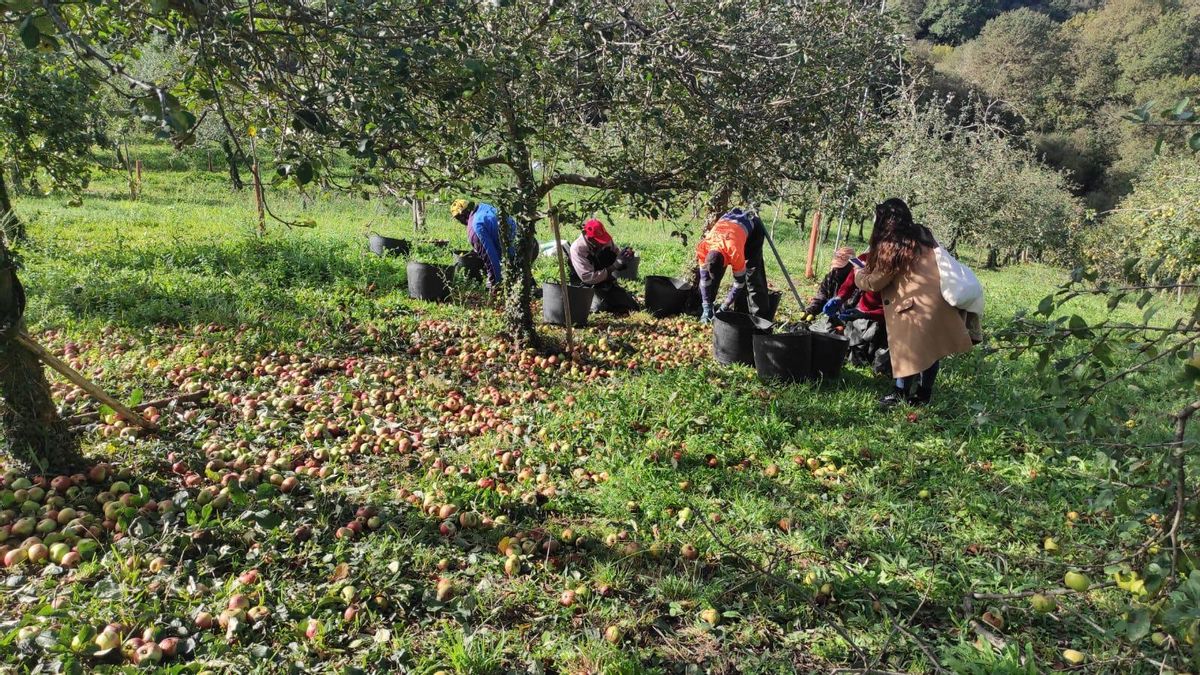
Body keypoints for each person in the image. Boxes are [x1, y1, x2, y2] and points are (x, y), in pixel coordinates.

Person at [855, 198, 973, 408]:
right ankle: (923, 395)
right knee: (931, 350)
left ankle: (899, 393)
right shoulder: (923, 234)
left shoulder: (893, 244)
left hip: (914, 306)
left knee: (907, 350)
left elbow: (875, 282)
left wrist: (859, 273)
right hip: (938, 302)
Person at [695, 208, 770, 323]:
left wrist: (725, 306)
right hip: (730, 227)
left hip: (752, 228)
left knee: (752, 274)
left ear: (725, 263)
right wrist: (706, 306)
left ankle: (759, 319)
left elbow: (739, 282)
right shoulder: (703, 248)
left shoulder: (734, 252)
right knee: (711, 280)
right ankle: (737, 311)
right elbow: (704, 280)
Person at [450, 199, 536, 291]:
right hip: (532, 245)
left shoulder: (474, 229)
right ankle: (533, 290)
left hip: (518, 254)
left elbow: (491, 259)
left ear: (462, 217)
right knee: (524, 283)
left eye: (458, 219)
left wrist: (495, 285)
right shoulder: (484, 207)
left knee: (516, 287)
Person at [567, 219, 640, 314]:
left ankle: (610, 296)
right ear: (589, 237)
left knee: (632, 306)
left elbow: (616, 257)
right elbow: (588, 277)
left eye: (603, 239)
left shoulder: (606, 241)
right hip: (584, 285)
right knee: (598, 307)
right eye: (599, 241)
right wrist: (613, 267)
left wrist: (625, 257)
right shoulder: (577, 248)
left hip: (604, 283)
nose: (603, 243)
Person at [804, 247, 858, 316]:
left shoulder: (857, 282)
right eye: (836, 267)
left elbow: (852, 305)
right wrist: (811, 309)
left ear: (851, 265)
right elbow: (822, 295)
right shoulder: (831, 276)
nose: (836, 270)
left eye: (841, 267)